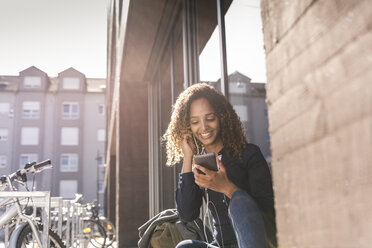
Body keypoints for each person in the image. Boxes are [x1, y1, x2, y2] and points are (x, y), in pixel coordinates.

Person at [162, 83, 277, 248]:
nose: (203, 127)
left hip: (255, 242)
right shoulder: (201, 165)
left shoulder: (249, 153)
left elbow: (267, 210)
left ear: (222, 117)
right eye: (195, 122)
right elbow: (187, 214)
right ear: (188, 126)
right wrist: (188, 158)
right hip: (221, 245)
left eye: (210, 118)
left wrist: (228, 188)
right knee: (185, 246)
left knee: (240, 202)